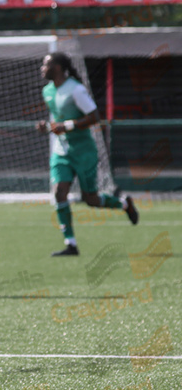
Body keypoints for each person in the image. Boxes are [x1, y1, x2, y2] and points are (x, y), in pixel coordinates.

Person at [35, 52, 138, 256]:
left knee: (90, 199)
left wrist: (68, 126)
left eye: (46, 65)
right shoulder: (47, 91)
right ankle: (71, 244)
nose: (42, 68)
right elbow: (59, 120)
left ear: (57, 67)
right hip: (61, 151)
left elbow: (94, 117)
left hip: (83, 152)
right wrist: (47, 127)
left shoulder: (75, 89)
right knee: (59, 192)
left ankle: (124, 203)